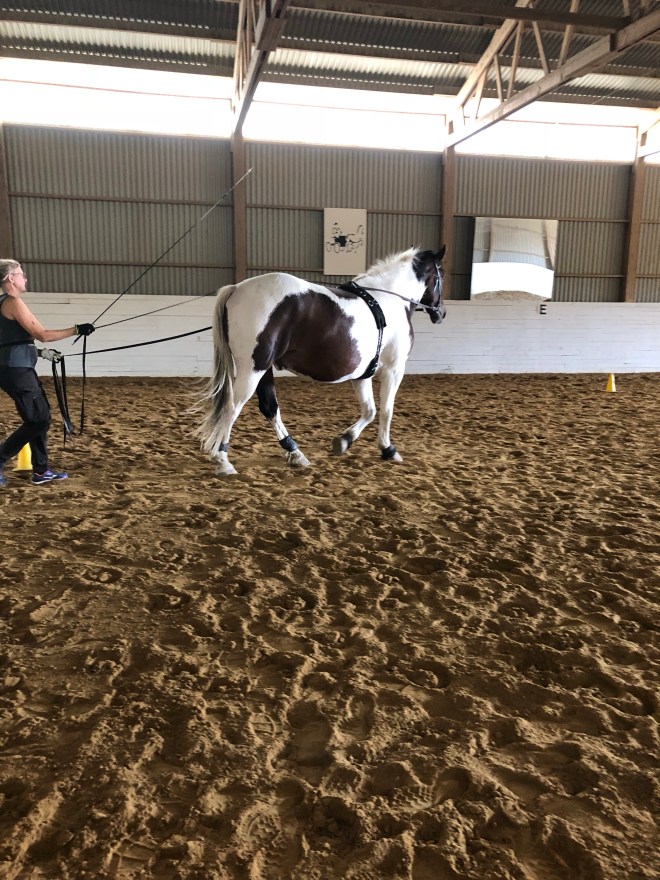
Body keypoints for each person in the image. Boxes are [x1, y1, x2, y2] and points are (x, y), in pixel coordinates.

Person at [0, 259, 95, 487]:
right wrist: (76, 329)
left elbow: (10, 341)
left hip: (13, 369)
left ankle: (41, 471)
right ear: (11, 278)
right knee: (38, 419)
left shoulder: (2, 303)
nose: (25, 278)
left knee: (39, 416)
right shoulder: (13, 302)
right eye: (21, 274)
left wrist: (41, 353)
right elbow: (42, 334)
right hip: (18, 371)